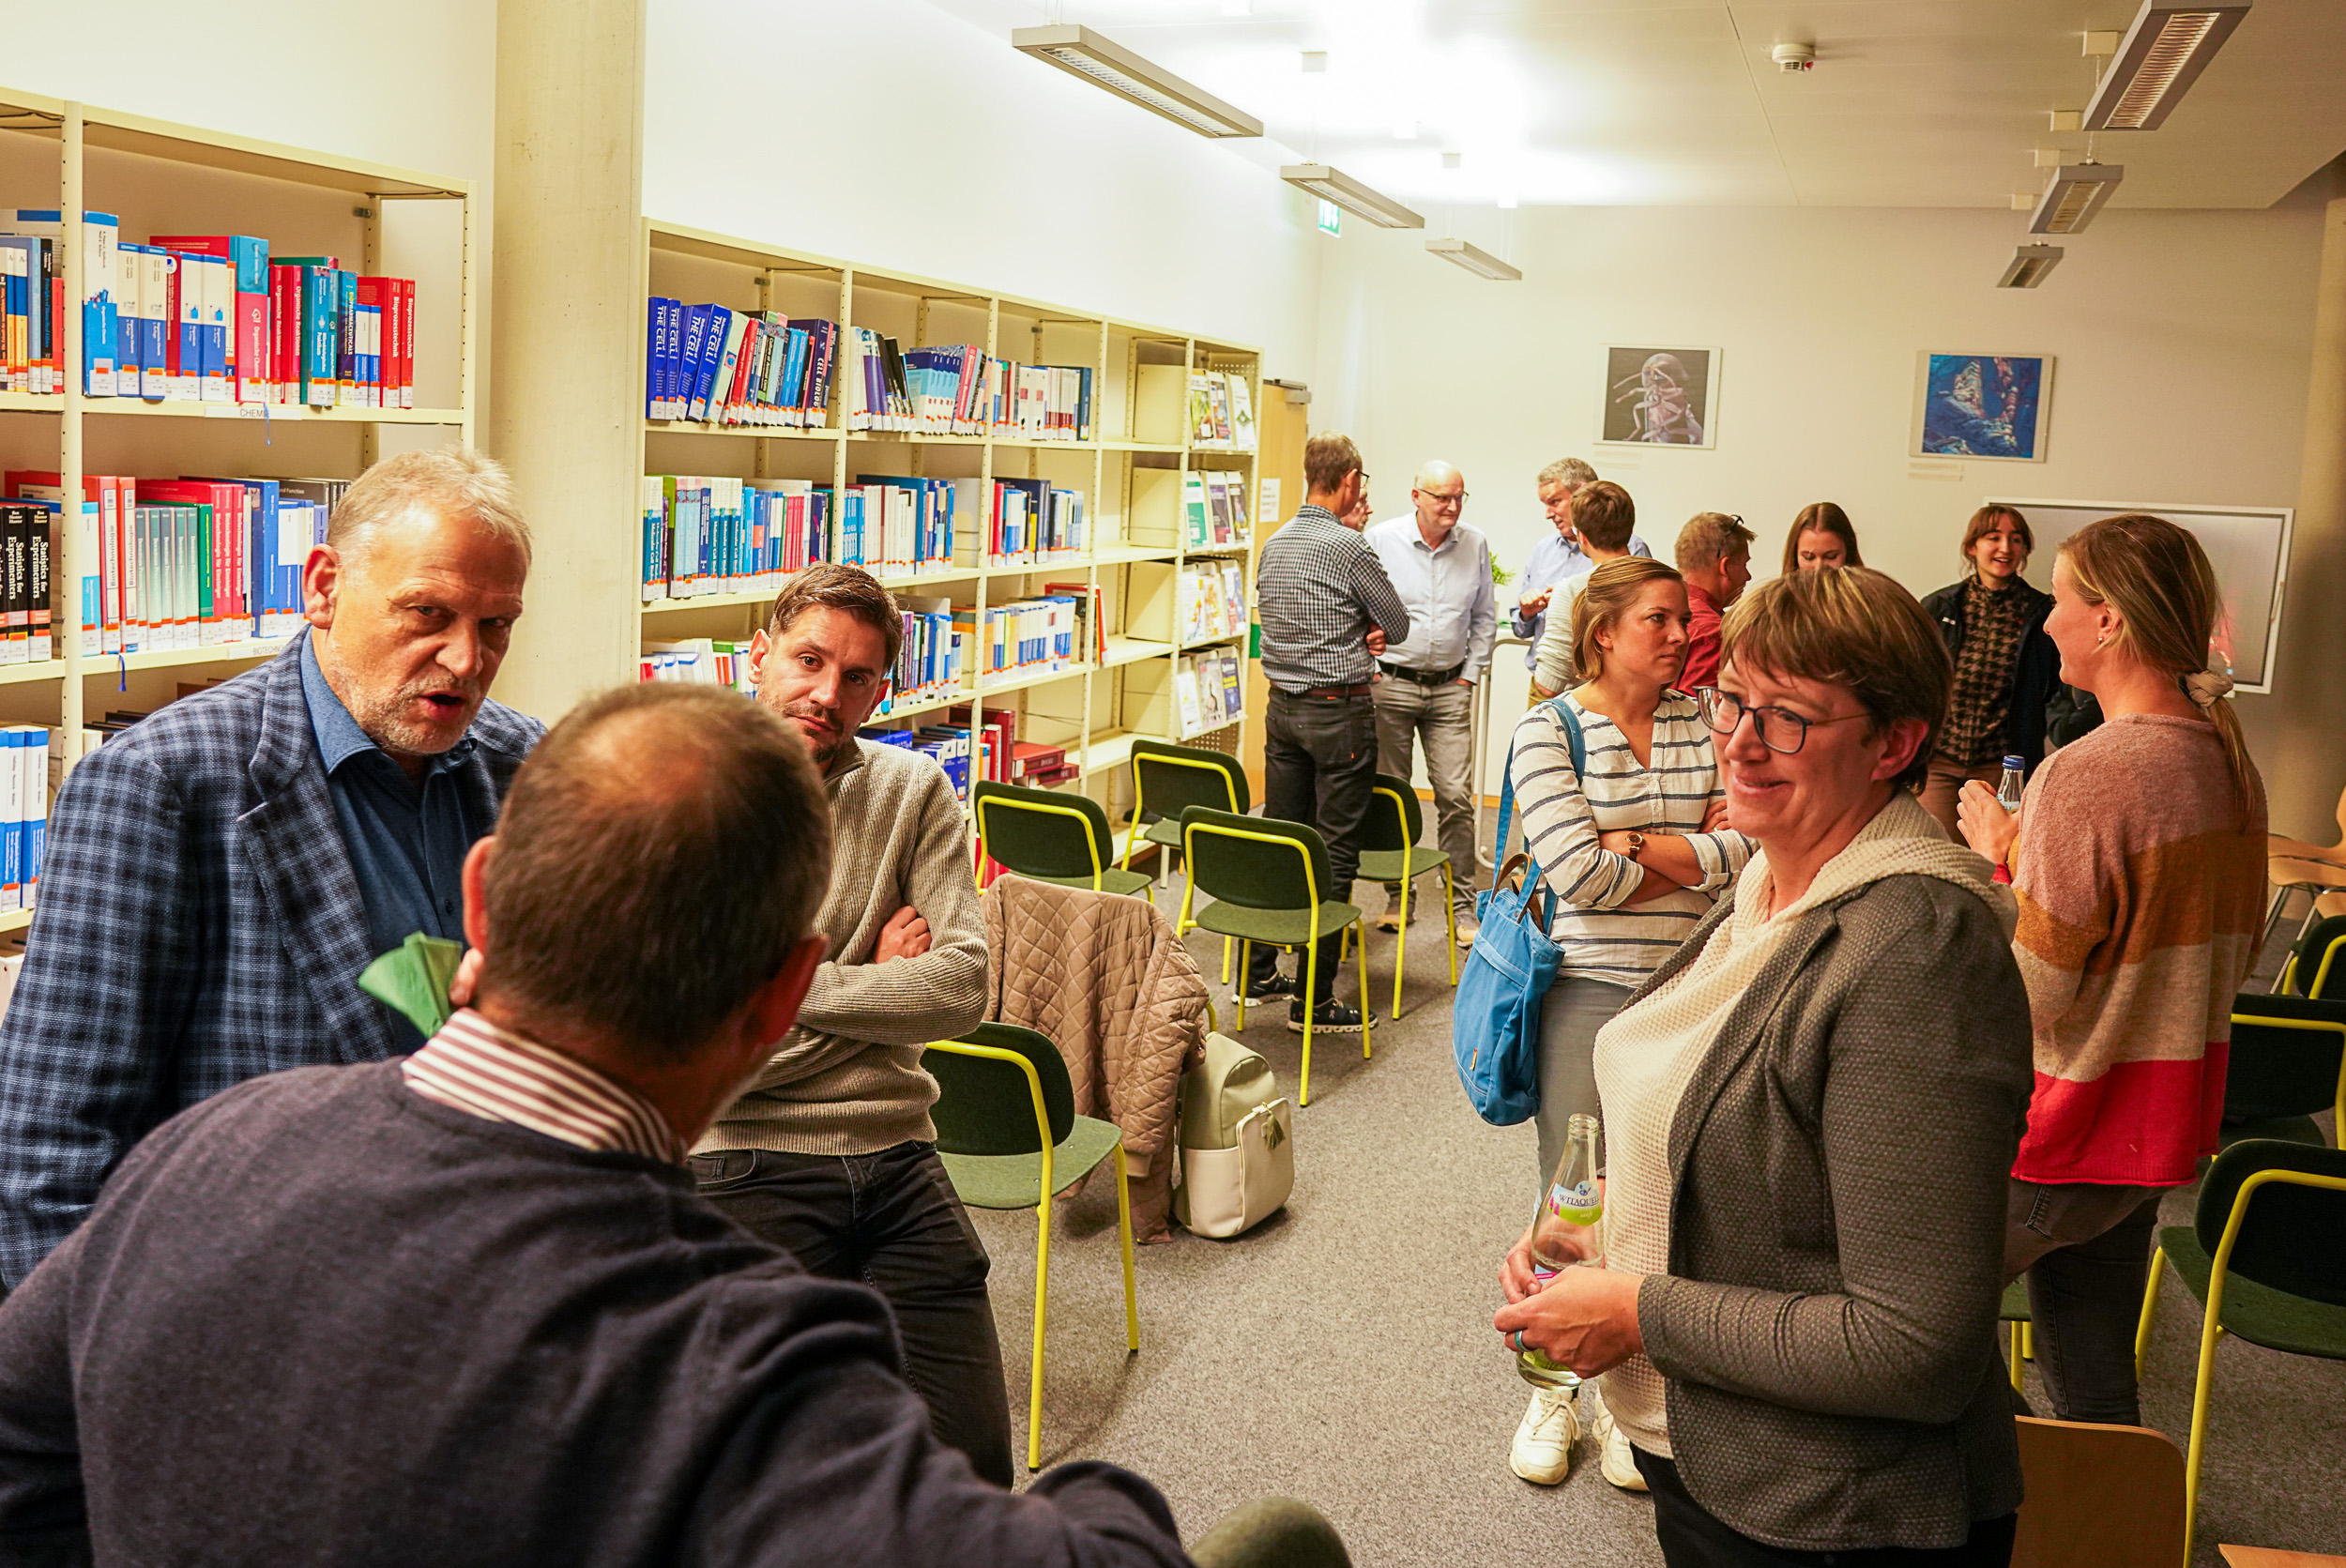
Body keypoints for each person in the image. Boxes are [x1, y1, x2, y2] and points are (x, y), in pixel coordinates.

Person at [0, 683, 1194, 1567]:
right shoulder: (746, 1362)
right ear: (784, 997)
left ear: (480, 899)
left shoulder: (201, 1155)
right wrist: (1102, 1500)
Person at [1496, 566, 2034, 1566]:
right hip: (1731, 1463)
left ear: (1895, 744)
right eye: (1733, 699)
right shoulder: (1769, 890)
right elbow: (1782, 1159)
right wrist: (1615, 1217)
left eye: (1787, 718)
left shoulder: (1916, 948)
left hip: (1830, 1512)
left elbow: (1910, 1345)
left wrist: (1634, 1312)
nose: (1738, 741)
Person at [0, 449, 541, 1287]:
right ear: (323, 587)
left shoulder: (531, 767)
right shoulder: (162, 783)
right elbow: (48, 1142)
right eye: (427, 612)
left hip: (477, 1294)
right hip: (247, 1310)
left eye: (495, 624)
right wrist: (103, 1386)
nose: (466, 660)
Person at [689, 563, 1004, 1482]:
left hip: (900, 1154)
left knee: (973, 1464)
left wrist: (781, 990)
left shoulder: (912, 791)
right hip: (742, 1163)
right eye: (808, 660)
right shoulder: (689, 796)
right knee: (782, 1470)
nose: (827, 694)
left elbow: (963, 990)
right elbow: (707, 1067)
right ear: (759, 656)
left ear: (882, 687)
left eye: (857, 677)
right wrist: (873, 980)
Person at [1957, 514, 2267, 1428]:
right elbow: (2218, 947)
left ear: (2109, 622)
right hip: (2149, 1130)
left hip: (2065, 1124)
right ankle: (2089, 1524)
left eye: (2058, 599)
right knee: (2094, 1389)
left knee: (1909, 1322)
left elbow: (2036, 993)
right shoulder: (2227, 761)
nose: (2042, 622)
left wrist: (2002, 864)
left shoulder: (2085, 776)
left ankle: (2017, 1491)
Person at [1500, 556, 1750, 1492]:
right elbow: (1578, 876)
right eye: (1659, 619)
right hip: (1589, 991)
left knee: (1667, 1197)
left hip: (1695, 988)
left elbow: (1749, 842)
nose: (1682, 634)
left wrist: (1635, 846)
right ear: (1603, 633)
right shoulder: (1546, 729)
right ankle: (1550, 1389)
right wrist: (1696, 851)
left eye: (1682, 619)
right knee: (1575, 1199)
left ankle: (1624, 1405)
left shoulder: (1708, 720)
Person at [1249, 432, 1410, 1034]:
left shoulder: (1274, 544)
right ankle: (1313, 1003)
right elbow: (1396, 623)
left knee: (1280, 838)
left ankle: (1259, 972)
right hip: (1338, 712)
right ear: (1349, 480)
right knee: (1334, 850)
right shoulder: (1351, 547)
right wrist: (1362, 626)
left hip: (1281, 709)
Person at [1365, 461, 1495, 946]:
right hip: (1393, 685)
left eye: (1460, 496)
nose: (1453, 507)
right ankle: (1400, 896)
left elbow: (1484, 616)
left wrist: (1468, 676)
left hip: (1449, 690)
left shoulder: (1474, 542)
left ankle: (1463, 903)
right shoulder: (1382, 539)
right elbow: (1359, 610)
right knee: (1394, 797)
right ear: (1416, 495)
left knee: (1456, 798)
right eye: (1442, 497)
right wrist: (1373, 669)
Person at [1916, 504, 2060, 836]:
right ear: (1972, 546)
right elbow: (1912, 680)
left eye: (2016, 539)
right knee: (1937, 855)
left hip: (2004, 767)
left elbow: (2056, 690)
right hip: (1939, 762)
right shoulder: (1939, 607)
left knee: (1993, 861)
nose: (2005, 548)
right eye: (1993, 537)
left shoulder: (2043, 614)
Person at [1512, 459, 1649, 671]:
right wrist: (1526, 613)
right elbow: (1520, 630)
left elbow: (1639, 624)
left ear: (1582, 494)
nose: (1548, 514)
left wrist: (1570, 598)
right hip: (1546, 681)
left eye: (1554, 502)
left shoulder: (1631, 548)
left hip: (1602, 683)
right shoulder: (1542, 550)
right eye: (1545, 504)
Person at [1529, 480, 1638, 699]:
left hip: (1585, 720)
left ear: (1581, 536)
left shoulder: (1572, 591)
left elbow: (1550, 684)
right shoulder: (1661, 583)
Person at [1671, 511, 1754, 693]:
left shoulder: (1653, 613)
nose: (1748, 576)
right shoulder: (1712, 634)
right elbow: (1701, 715)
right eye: (1744, 564)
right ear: (1725, 567)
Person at [1783, 500, 1863, 571]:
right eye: (1808, 558)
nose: (1819, 568)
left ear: (1849, 552)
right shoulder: (1778, 588)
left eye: (1831, 557)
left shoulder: (1870, 587)